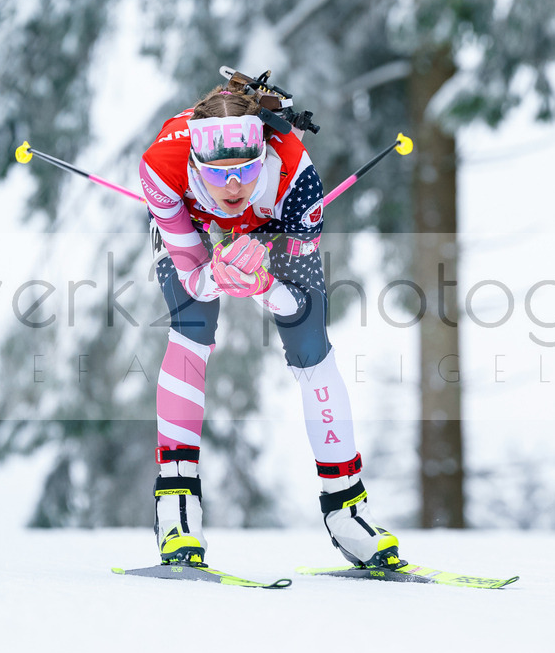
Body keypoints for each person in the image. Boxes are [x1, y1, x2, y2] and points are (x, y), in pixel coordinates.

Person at [137, 85, 400, 570]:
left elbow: (296, 306)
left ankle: (346, 509)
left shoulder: (296, 176)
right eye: (219, 173)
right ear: (196, 166)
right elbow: (195, 281)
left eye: (246, 169)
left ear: (264, 152)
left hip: (274, 224)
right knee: (193, 323)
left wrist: (260, 283)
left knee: (311, 346)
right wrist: (216, 273)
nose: (233, 186)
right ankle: (177, 506)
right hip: (192, 228)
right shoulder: (162, 168)